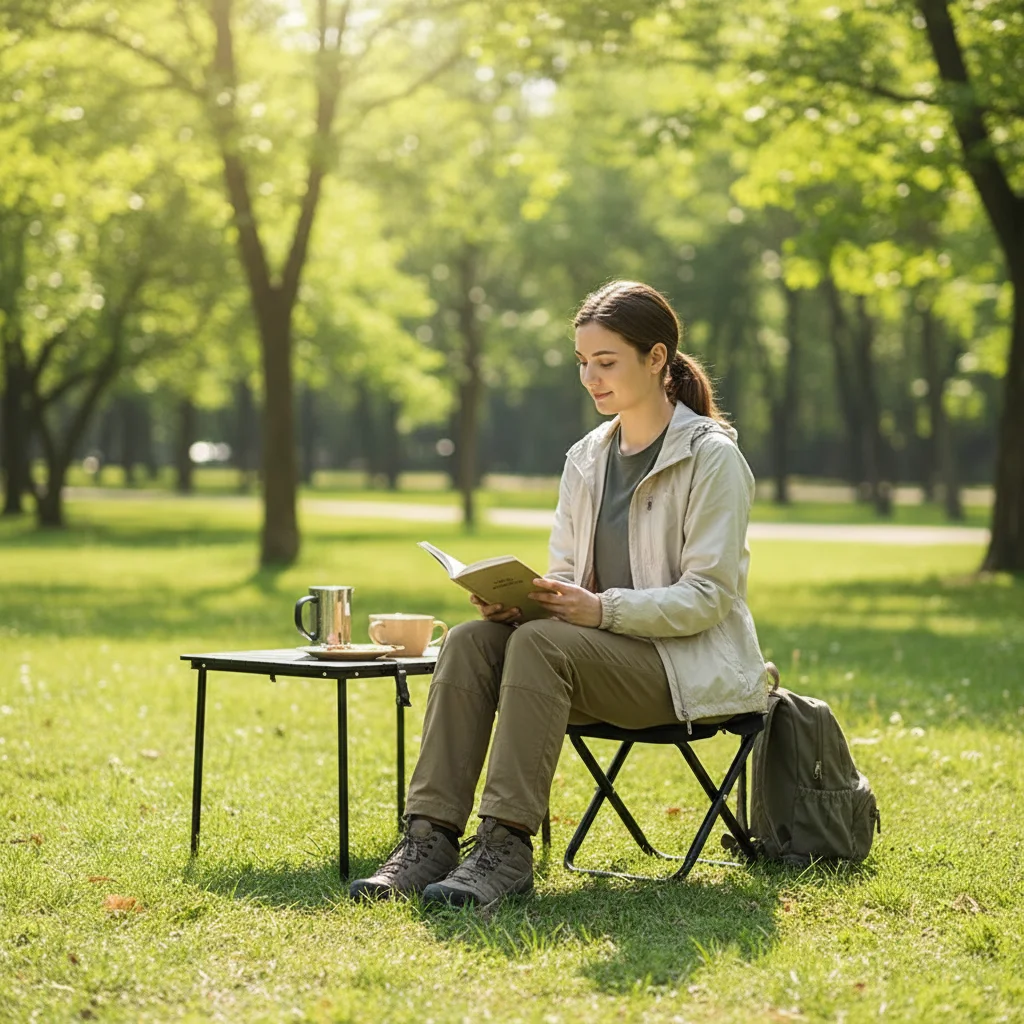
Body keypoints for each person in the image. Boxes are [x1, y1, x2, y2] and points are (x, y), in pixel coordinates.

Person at [349, 280, 770, 908]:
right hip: (592, 655)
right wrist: (521, 602)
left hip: (685, 669)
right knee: (469, 642)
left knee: (543, 644)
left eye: (607, 362)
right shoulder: (587, 457)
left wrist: (599, 610)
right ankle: (429, 839)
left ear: (657, 359)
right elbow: (568, 576)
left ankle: (506, 848)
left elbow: (709, 597)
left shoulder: (712, 460)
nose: (591, 379)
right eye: (583, 364)